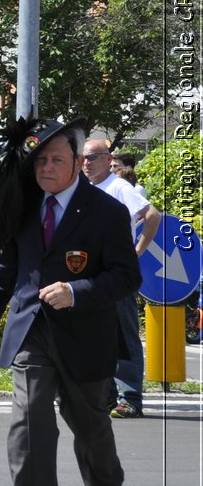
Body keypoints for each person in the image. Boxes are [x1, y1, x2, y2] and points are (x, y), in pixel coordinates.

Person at [0, 118, 141, 486]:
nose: (47, 167)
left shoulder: (107, 211)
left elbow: (127, 277)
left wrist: (76, 290)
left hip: (85, 334)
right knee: (30, 420)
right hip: (31, 329)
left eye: (57, 160)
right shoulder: (24, 205)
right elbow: (7, 267)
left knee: (87, 424)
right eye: (40, 160)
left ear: (77, 163)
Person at [82, 138, 160, 419]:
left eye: (92, 158)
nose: (86, 163)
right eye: (84, 158)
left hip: (116, 272)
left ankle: (130, 398)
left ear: (107, 158)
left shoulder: (118, 186)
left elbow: (152, 215)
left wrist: (137, 252)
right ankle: (107, 396)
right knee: (98, 335)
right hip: (92, 274)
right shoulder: (86, 190)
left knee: (124, 335)